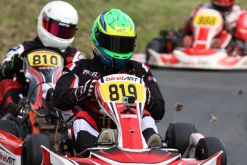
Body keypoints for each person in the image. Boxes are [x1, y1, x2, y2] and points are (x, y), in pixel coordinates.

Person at [52, 9, 165, 153]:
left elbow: (160, 111)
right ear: (99, 39)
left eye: (124, 44)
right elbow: (58, 100)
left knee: (146, 116)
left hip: (132, 125)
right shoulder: (79, 68)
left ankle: (151, 144)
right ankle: (95, 147)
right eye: (114, 43)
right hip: (95, 126)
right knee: (81, 117)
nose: (119, 50)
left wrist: (148, 98)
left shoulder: (140, 70)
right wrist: (82, 92)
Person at [0, 1, 85, 116]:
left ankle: (73, 122)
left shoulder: (76, 57)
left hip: (62, 102)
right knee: (5, 84)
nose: (59, 35)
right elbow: (0, 75)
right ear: (42, 22)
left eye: (66, 32)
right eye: (56, 29)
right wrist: (13, 64)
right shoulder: (21, 50)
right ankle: (16, 117)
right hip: (26, 99)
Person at [182, 0, 247, 55]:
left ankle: (230, 52)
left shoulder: (239, 13)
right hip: (199, 36)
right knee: (183, 37)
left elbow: (245, 35)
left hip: (222, 39)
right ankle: (188, 49)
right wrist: (190, 22)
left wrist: (233, 28)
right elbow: (186, 28)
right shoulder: (202, 8)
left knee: (236, 41)